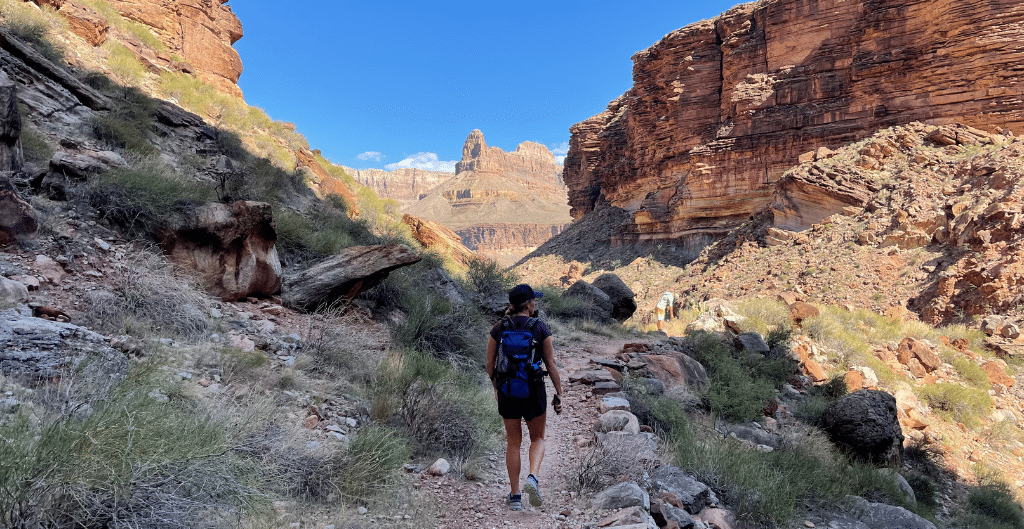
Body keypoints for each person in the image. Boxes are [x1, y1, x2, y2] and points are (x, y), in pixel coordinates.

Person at [486, 283, 563, 511]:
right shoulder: (540, 328)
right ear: (529, 303)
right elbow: (551, 364)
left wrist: (495, 387)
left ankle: (515, 496)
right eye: (533, 300)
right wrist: (559, 393)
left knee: (513, 442)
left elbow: (489, 364)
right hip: (534, 390)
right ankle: (533, 477)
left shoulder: (498, 328)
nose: (534, 303)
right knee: (537, 438)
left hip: (508, 389)